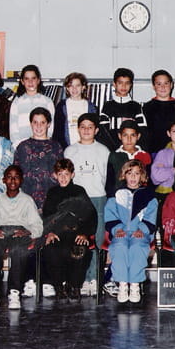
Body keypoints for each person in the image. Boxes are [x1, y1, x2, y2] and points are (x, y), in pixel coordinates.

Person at [0, 165, 43, 310]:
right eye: (9, 177)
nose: (13, 180)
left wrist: (27, 232)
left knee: (19, 250)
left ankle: (14, 292)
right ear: (3, 180)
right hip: (0, 232)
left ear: (21, 180)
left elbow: (38, 226)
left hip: (20, 233)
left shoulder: (27, 200)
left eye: (16, 177)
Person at [64, 113, 110, 296]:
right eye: (82, 126)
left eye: (90, 127)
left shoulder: (104, 151)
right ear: (77, 129)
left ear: (96, 130)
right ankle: (81, 279)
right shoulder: (70, 151)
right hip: (78, 200)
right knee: (79, 239)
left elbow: (107, 177)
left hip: (98, 198)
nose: (86, 130)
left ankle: (94, 278)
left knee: (97, 239)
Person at [40, 158, 97, 300]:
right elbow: (47, 215)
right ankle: (59, 286)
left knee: (80, 250)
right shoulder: (52, 192)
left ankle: (75, 286)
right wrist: (49, 232)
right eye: (60, 174)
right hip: (57, 233)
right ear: (55, 175)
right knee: (51, 250)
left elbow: (91, 214)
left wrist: (84, 233)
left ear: (72, 174)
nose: (63, 178)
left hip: (76, 232)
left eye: (66, 174)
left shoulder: (79, 191)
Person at [104, 160, 158, 304]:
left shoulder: (149, 195)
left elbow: (151, 215)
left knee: (137, 247)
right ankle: (122, 284)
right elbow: (110, 213)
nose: (133, 177)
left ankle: (134, 285)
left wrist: (142, 229)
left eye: (137, 173)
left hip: (140, 233)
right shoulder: (116, 194)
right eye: (129, 173)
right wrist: (117, 228)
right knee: (119, 247)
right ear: (124, 175)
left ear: (142, 176)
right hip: (121, 232)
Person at [13, 107, 63, 211]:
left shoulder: (56, 147)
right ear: (30, 124)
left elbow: (62, 175)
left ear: (48, 124)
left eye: (42, 122)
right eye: (35, 122)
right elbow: (15, 175)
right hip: (26, 202)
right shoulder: (22, 147)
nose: (38, 126)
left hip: (51, 201)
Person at [98, 67, 148, 151]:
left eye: (127, 83)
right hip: (112, 151)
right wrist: (113, 150)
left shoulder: (136, 106)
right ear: (114, 84)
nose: (124, 86)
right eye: (120, 83)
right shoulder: (107, 106)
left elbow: (142, 132)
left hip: (132, 151)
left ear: (131, 85)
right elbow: (103, 132)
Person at [9, 64, 56, 148]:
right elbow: (13, 129)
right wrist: (19, 147)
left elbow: (50, 127)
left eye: (33, 78)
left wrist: (44, 145)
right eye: (27, 79)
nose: (30, 82)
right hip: (22, 148)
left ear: (38, 80)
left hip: (42, 146)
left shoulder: (47, 102)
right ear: (22, 81)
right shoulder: (17, 102)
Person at [142, 70, 175, 154]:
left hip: (174, 151)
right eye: (159, 84)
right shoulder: (147, 107)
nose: (163, 87)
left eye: (166, 83)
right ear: (153, 86)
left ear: (171, 85)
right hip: (152, 152)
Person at [105, 120, 152, 197]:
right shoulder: (114, 156)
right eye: (125, 135)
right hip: (119, 197)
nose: (129, 139)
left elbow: (149, 181)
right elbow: (109, 183)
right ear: (119, 136)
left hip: (140, 196)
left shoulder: (145, 155)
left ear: (138, 136)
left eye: (132, 135)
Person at [52, 71, 98, 147]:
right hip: (66, 147)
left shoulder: (91, 107)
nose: (74, 89)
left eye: (77, 85)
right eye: (71, 86)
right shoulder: (61, 106)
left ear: (83, 87)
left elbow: (95, 131)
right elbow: (57, 132)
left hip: (86, 146)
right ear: (67, 88)